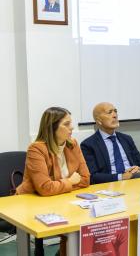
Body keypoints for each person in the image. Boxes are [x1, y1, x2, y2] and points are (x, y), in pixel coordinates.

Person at [16, 107, 90, 256]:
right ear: (52, 127)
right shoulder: (36, 149)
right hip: (33, 203)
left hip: (62, 199)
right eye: (66, 124)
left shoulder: (72, 144)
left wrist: (59, 186)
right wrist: (69, 181)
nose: (72, 127)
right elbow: (45, 188)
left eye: (71, 123)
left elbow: (85, 179)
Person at [81, 102, 140, 184]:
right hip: (111, 185)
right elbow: (93, 176)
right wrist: (122, 177)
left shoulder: (126, 139)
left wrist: (139, 170)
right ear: (99, 121)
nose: (115, 115)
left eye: (115, 111)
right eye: (110, 112)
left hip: (135, 180)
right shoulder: (88, 145)